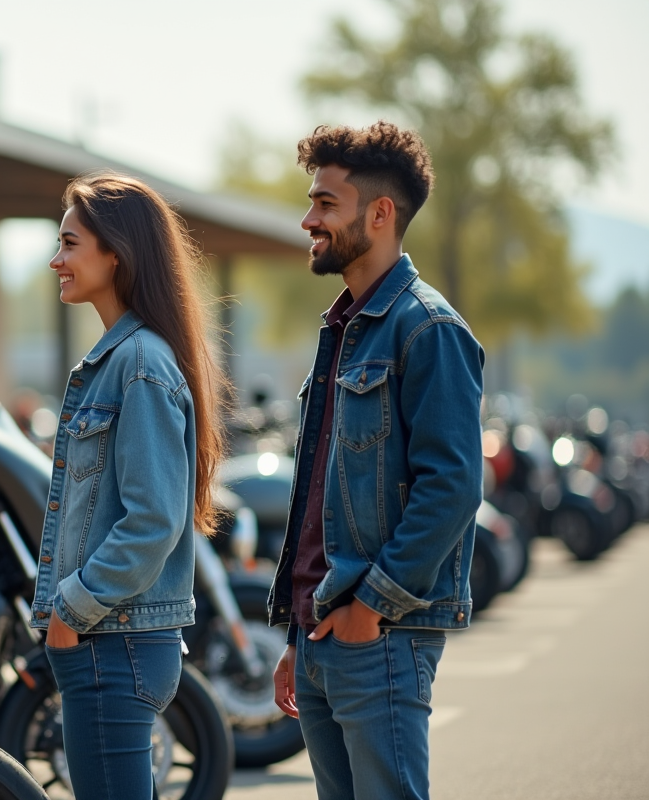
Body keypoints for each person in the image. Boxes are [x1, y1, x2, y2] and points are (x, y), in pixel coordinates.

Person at [268, 122, 484, 800]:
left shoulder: (429, 329)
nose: (309, 219)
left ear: (380, 213)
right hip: (322, 635)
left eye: (326, 203)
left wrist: (371, 608)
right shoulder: (341, 331)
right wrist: (300, 634)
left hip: (379, 635)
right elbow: (320, 505)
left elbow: (451, 488)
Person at [29, 172, 230, 800]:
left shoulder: (139, 364)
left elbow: (153, 520)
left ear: (116, 252)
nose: (56, 259)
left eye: (69, 243)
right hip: (112, 640)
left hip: (113, 641)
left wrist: (72, 607)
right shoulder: (125, 357)